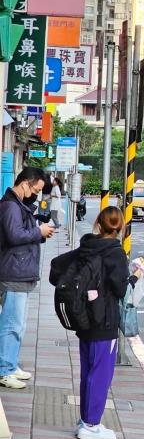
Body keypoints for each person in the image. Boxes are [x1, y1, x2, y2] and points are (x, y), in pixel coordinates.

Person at [50, 206, 139, 439]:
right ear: (120, 227)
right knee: (101, 373)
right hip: (105, 320)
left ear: (98, 223)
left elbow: (55, 268)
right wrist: (136, 276)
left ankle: (85, 420)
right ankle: (91, 424)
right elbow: (120, 289)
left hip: (84, 319)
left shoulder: (87, 247)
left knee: (88, 371)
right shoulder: (115, 253)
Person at [0, 167, 55, 389]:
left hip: (19, 271)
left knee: (17, 324)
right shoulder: (11, 206)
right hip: (13, 273)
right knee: (12, 324)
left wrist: (39, 233)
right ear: (25, 184)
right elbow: (14, 236)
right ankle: (5, 370)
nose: (36, 194)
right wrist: (38, 232)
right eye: (35, 189)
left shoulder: (18, 205)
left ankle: (10, 365)